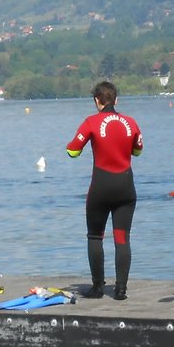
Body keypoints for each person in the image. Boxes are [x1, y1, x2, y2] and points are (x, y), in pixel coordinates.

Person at [65, 80, 143, 299]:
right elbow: (138, 152)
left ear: (96, 101)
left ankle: (98, 287)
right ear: (116, 100)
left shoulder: (91, 122)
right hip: (125, 187)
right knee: (122, 237)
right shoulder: (131, 122)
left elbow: (72, 152)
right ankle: (121, 289)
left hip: (101, 187)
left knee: (95, 236)